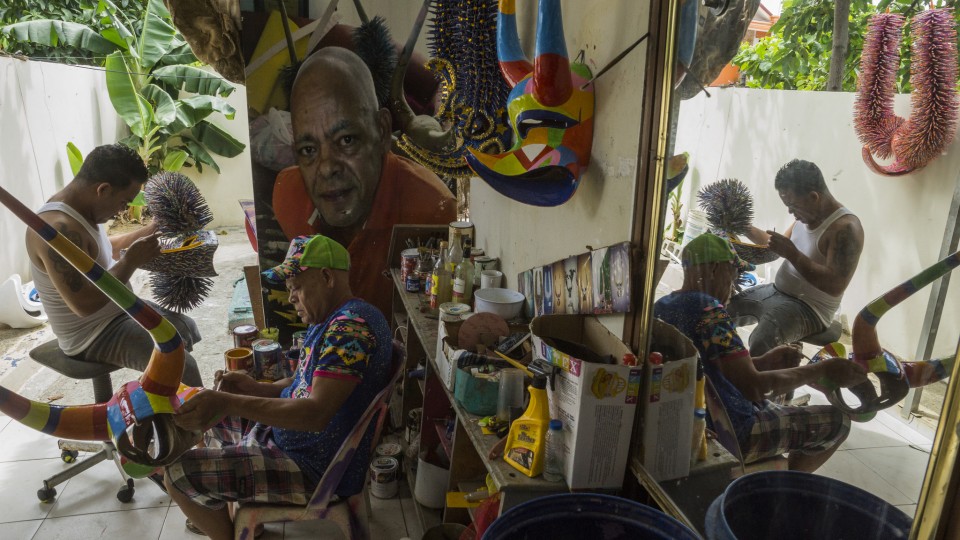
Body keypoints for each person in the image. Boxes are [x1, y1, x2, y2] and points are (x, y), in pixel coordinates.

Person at [164, 234, 392, 539]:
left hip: (313, 469)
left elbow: (315, 413)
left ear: (326, 277)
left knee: (177, 474)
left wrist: (229, 403)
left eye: (296, 288)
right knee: (210, 418)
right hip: (294, 444)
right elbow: (302, 385)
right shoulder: (334, 320)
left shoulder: (349, 330)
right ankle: (219, 505)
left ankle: (225, 531)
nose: (290, 298)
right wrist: (253, 387)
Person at [654, 233, 867, 472]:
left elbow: (711, 368)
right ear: (714, 269)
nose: (733, 287)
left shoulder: (663, 306)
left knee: (783, 392)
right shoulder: (709, 310)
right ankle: (783, 488)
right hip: (731, 431)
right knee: (839, 423)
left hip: (698, 418)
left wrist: (765, 361)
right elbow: (754, 388)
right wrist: (822, 369)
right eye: (733, 275)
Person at [270, 46, 457, 317]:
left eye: (346, 140)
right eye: (309, 150)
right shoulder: (288, 197)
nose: (327, 168)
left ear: (381, 132)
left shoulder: (432, 215)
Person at [26, 143, 203, 386]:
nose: (124, 210)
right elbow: (84, 304)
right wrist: (131, 261)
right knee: (183, 367)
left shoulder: (79, 209)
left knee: (186, 328)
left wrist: (151, 230)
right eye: (124, 202)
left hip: (119, 311)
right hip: (93, 334)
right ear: (103, 189)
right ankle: (192, 419)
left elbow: (101, 249)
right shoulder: (58, 230)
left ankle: (166, 405)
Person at [726, 159, 865, 356]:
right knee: (719, 314)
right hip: (777, 291)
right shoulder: (805, 215)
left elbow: (835, 285)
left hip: (811, 309)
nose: (790, 211)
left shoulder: (845, 228)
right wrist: (743, 227)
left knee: (760, 342)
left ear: (814, 197)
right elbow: (773, 245)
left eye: (792, 205)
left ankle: (757, 384)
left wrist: (792, 254)